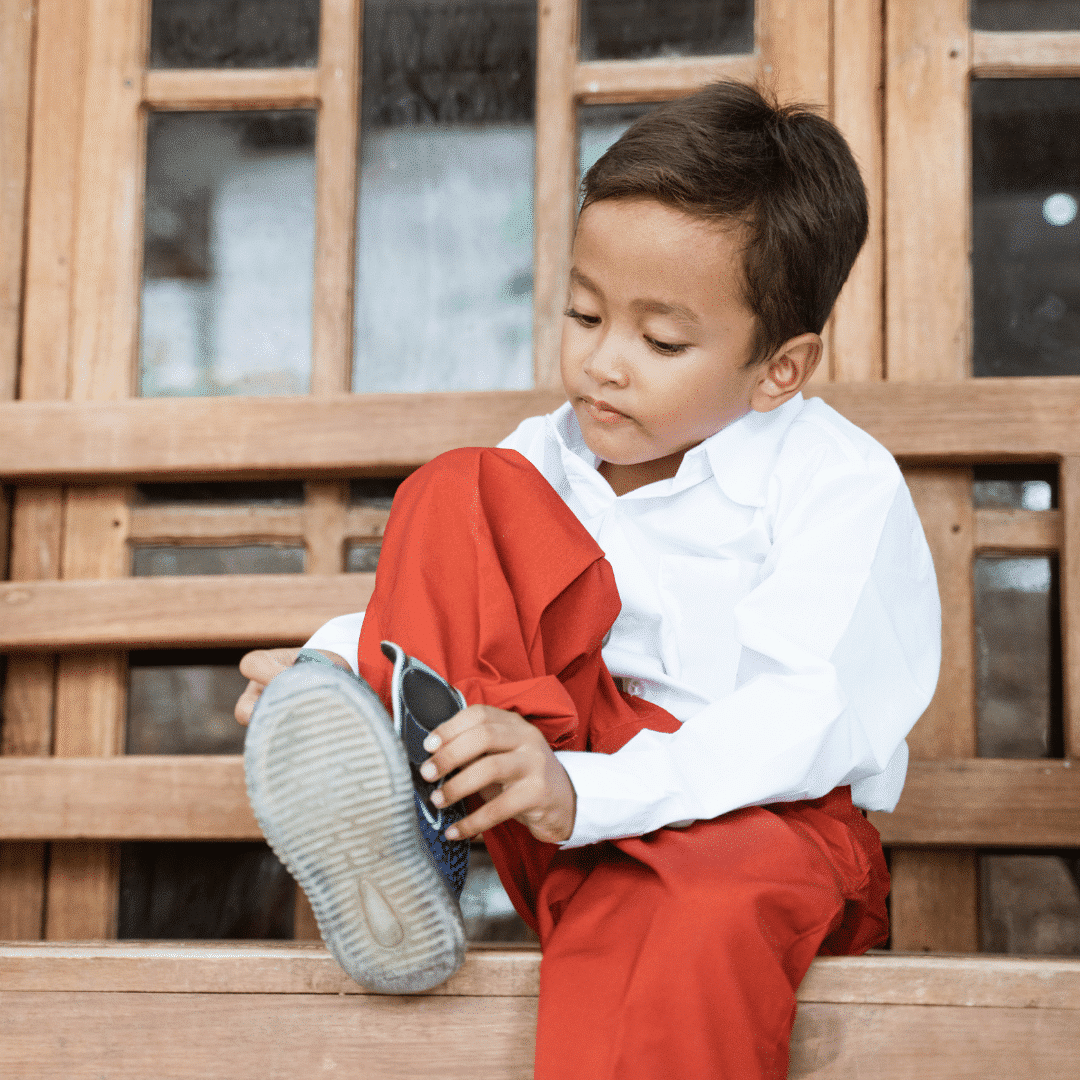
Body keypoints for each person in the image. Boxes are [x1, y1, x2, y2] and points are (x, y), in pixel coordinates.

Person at [235, 80, 940, 1079]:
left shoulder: (837, 484)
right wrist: (332, 669)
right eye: (584, 313)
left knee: (686, 912)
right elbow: (480, 621)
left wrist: (588, 790)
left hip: (762, 823)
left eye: (659, 341)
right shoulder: (542, 461)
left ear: (780, 368)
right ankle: (414, 819)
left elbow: (802, 718)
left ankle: (446, 798)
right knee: (460, 487)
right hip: (545, 793)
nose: (603, 363)